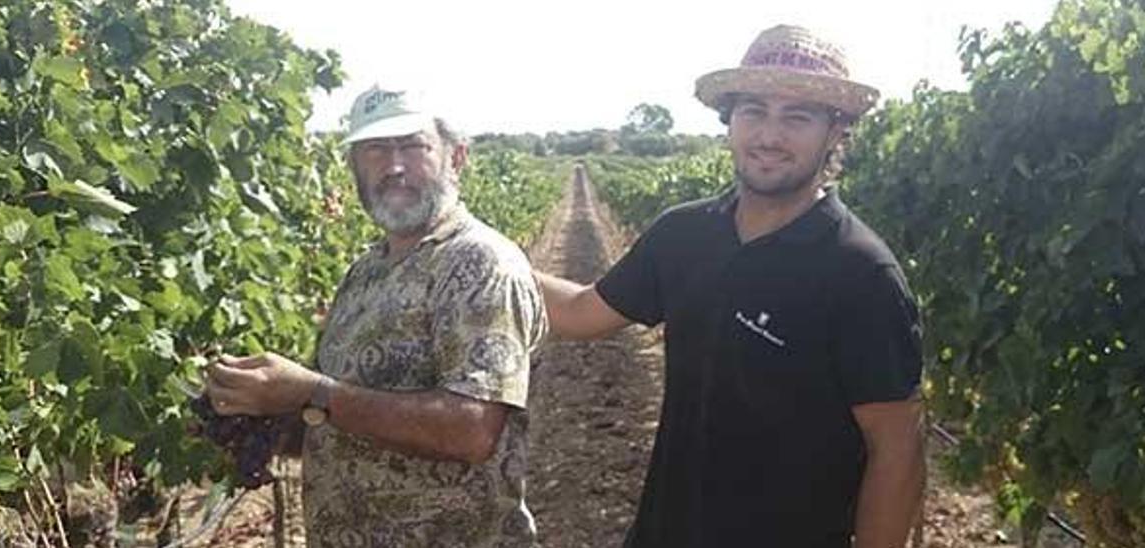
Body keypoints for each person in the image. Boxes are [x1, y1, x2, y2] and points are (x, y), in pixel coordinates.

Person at [534, 25, 925, 548]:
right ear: (729, 121)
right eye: (754, 111)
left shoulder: (860, 273)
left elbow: (896, 447)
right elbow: (583, 311)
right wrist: (482, 255)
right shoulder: (684, 234)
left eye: (798, 117)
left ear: (837, 132)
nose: (770, 135)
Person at [205, 85, 548, 547]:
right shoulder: (366, 271)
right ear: (354, 167)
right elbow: (347, 416)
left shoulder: (479, 263)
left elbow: (472, 429)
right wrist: (257, 414)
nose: (394, 167)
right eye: (375, 150)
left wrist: (313, 392)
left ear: (457, 157)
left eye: (413, 146)